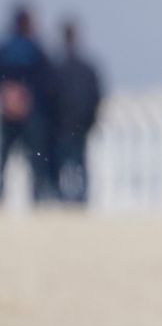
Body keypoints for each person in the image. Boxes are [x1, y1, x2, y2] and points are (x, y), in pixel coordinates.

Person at [0, 3, 56, 204]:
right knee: (36, 159)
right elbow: (47, 81)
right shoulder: (35, 49)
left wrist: (9, 94)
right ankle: (38, 196)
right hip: (31, 113)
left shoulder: (6, 48)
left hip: (8, 112)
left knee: (3, 157)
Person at [51, 19, 104, 206]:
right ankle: (80, 198)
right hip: (80, 123)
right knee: (78, 161)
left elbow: (50, 96)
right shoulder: (86, 67)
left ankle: (62, 197)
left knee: (63, 162)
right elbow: (96, 94)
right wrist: (91, 119)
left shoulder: (56, 67)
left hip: (63, 125)